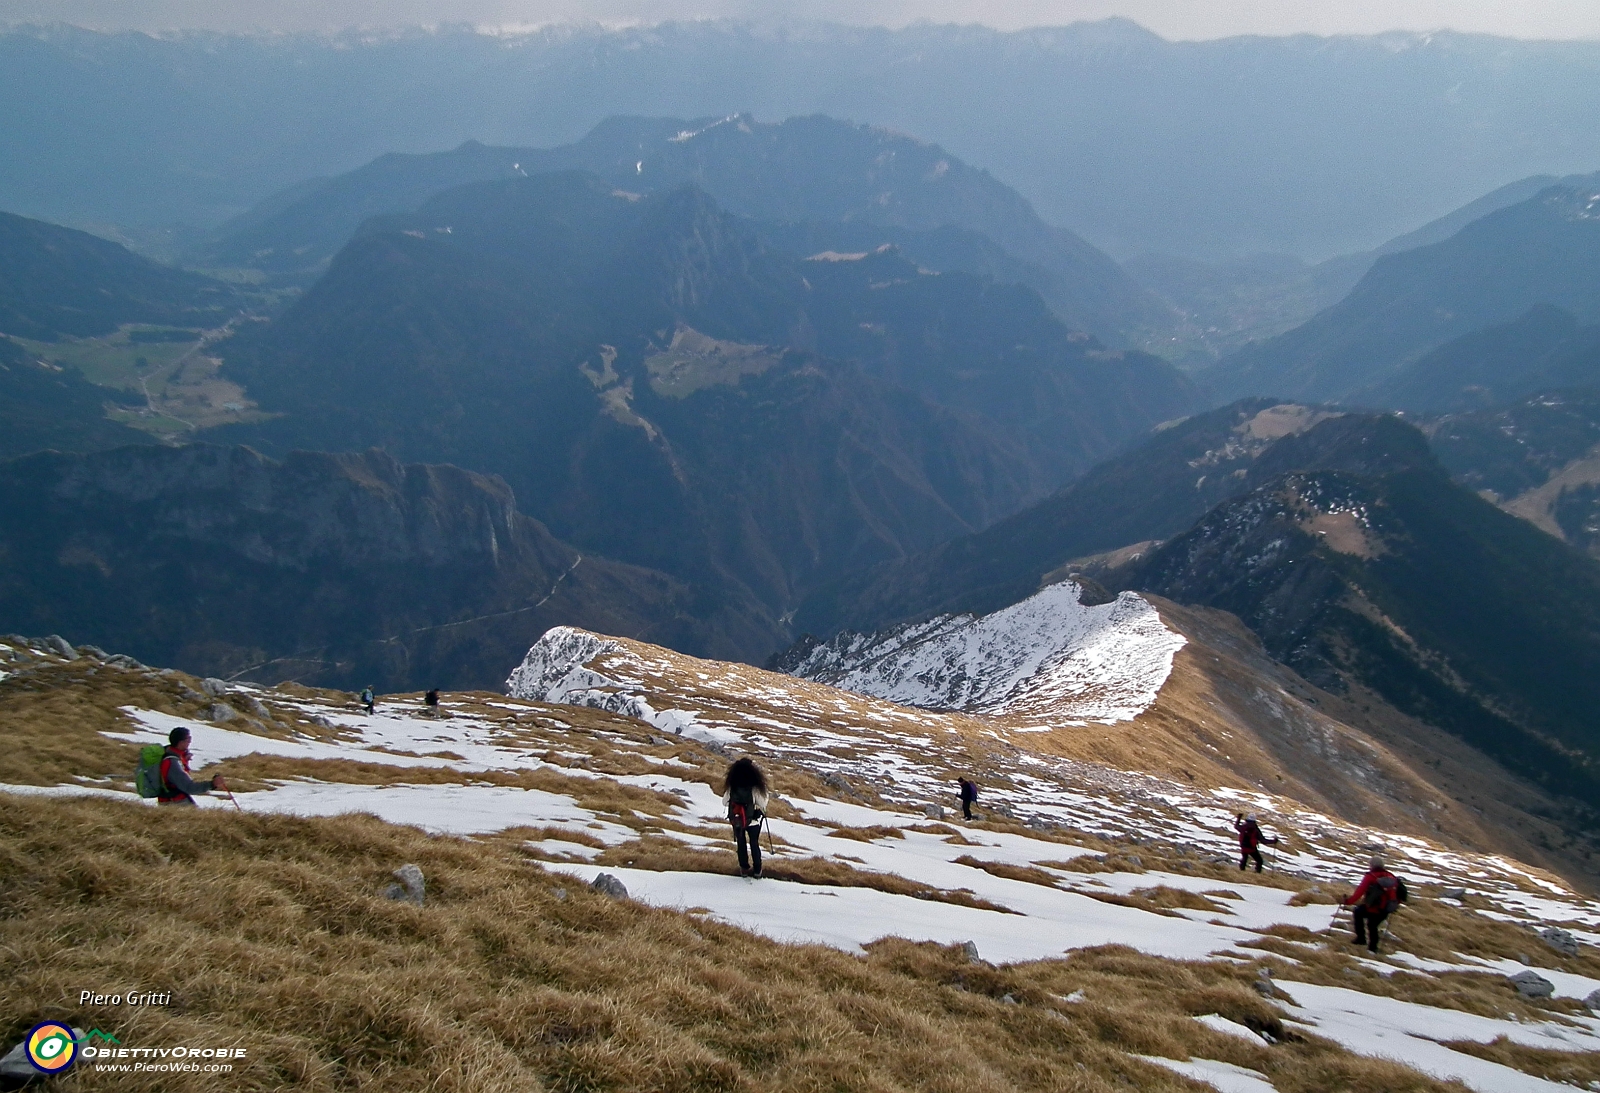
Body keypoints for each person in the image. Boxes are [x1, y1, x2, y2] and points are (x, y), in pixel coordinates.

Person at [1343, 856, 1408, 953]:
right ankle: (1373, 948)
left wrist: (1348, 901)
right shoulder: (1391, 876)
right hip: (1386, 908)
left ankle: (1361, 939)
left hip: (1372, 907)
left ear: (1372, 865)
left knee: (1358, 912)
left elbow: (1359, 892)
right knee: (1373, 925)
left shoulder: (1370, 877)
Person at [722, 757, 769, 877]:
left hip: (737, 819)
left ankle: (744, 868)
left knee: (741, 842)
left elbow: (724, 801)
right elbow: (762, 803)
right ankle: (757, 870)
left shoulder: (733, 785)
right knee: (754, 842)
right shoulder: (754, 787)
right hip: (753, 821)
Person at [157, 727, 226, 806]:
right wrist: (212, 784)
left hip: (172, 801)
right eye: (188, 738)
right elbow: (190, 788)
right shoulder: (172, 763)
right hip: (174, 803)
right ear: (180, 742)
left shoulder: (170, 754)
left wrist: (184, 759)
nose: (190, 741)